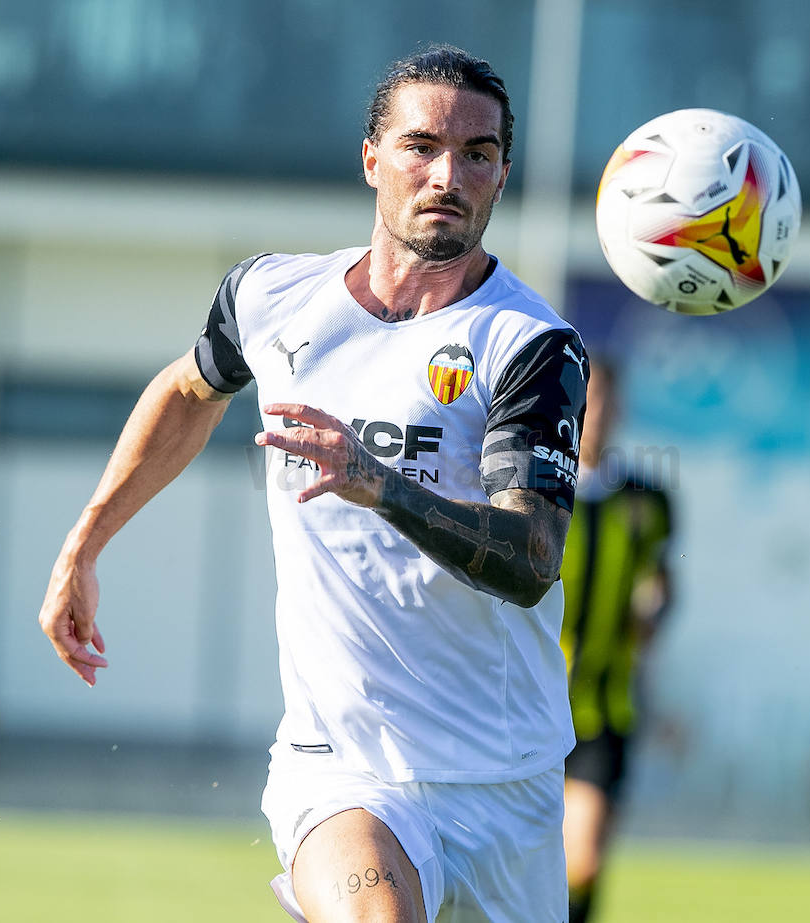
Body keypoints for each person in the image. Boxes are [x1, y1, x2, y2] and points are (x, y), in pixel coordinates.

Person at [37, 45, 588, 923]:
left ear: (502, 174)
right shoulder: (271, 297)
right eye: (422, 146)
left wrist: (381, 484)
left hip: (502, 780)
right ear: (372, 159)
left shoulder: (527, 344)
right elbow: (187, 390)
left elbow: (530, 558)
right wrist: (86, 540)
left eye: (477, 154)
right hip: (341, 762)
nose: (447, 174)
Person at [557, 358, 672, 923]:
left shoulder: (648, 500)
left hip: (604, 708)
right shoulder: (532, 488)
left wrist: (656, 608)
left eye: (606, 400)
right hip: (524, 705)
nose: (595, 414)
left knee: (585, 856)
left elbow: (664, 582)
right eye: (586, 398)